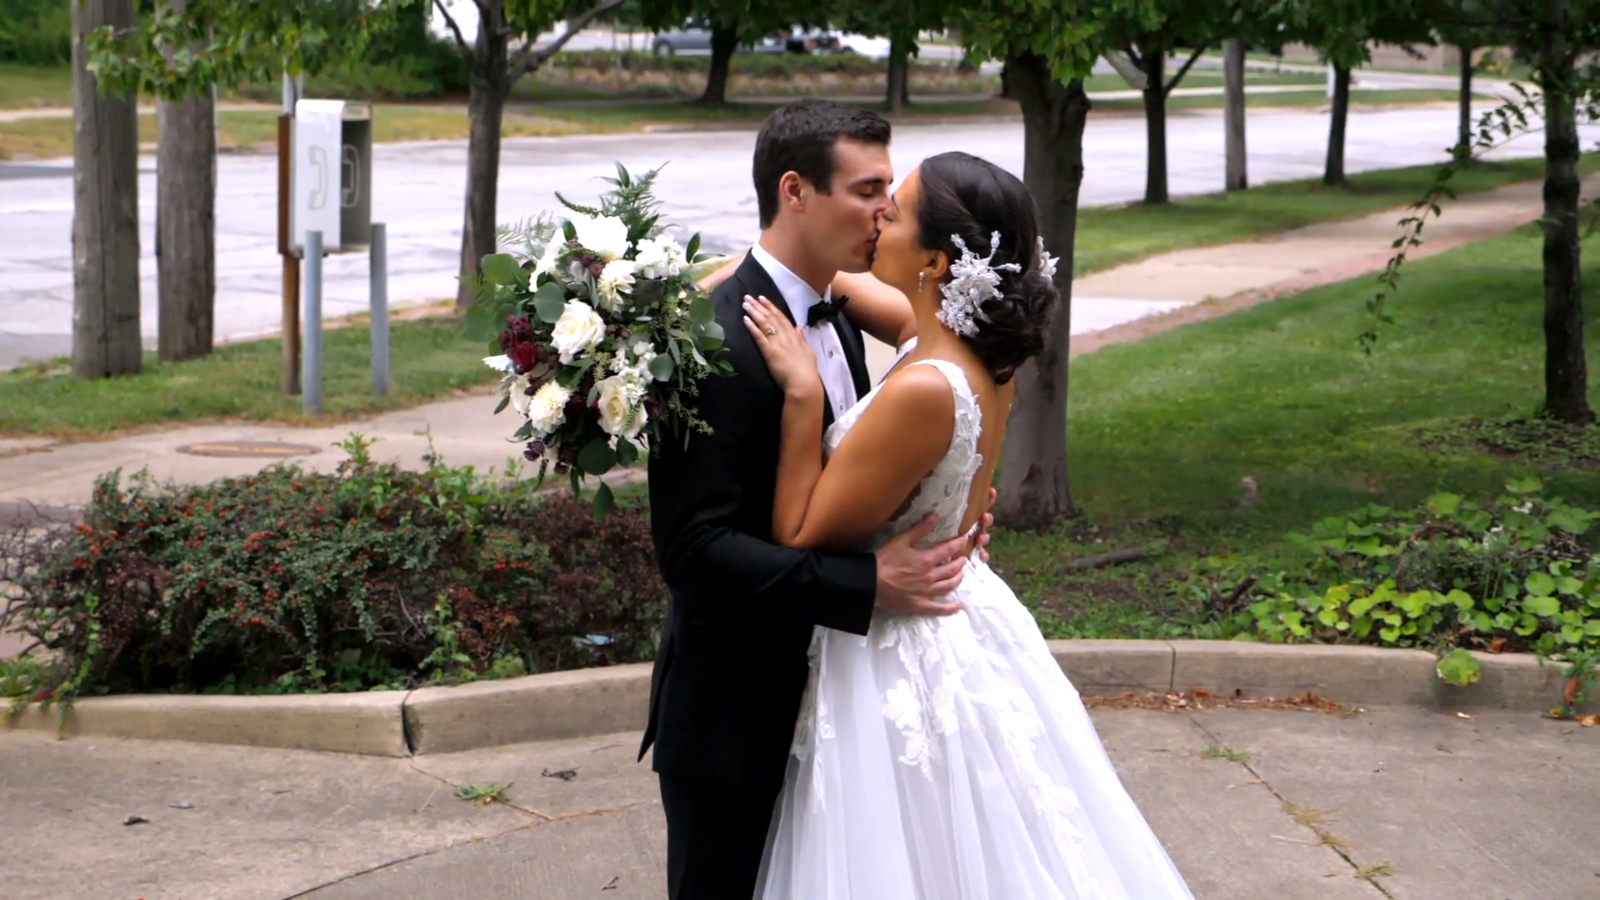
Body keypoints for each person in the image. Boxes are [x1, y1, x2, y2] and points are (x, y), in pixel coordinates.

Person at [738, 150, 1197, 898]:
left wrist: (801, 396)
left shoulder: (922, 387)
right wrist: (754, 264)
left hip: (896, 639)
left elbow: (799, 531)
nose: (878, 214)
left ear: (938, 261)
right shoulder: (977, 354)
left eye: (895, 210)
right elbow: (849, 289)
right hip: (965, 614)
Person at [641, 100, 997, 900]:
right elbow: (692, 553)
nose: (884, 211)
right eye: (869, 190)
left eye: (888, 195)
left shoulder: (839, 313)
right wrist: (869, 587)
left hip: (844, 712)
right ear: (796, 191)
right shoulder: (712, 343)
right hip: (736, 725)